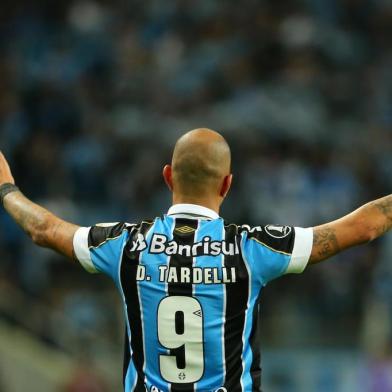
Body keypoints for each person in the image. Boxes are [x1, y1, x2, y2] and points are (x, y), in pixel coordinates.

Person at [0, 128, 391, 392]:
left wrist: (6, 190)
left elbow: (45, 230)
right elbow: (366, 226)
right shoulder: (251, 249)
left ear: (168, 177)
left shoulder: (126, 245)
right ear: (227, 184)